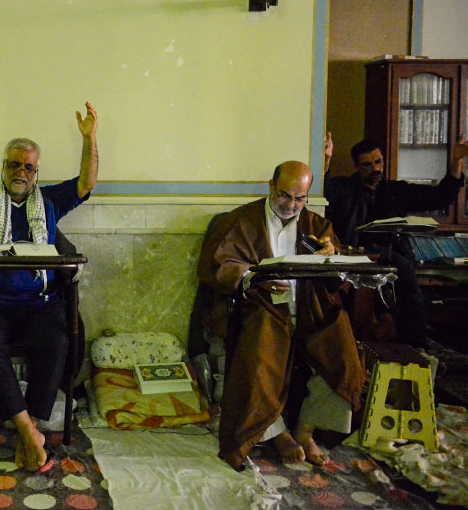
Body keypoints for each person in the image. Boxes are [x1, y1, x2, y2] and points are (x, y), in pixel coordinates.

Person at [0, 98, 98, 472]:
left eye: (28, 167)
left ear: (36, 172)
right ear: (4, 166)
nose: (21, 172)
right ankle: (29, 434)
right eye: (14, 164)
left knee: (57, 339)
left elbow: (86, 183)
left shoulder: (50, 201)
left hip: (39, 303)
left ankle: (32, 428)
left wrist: (90, 139)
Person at [198, 161, 363, 470]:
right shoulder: (243, 220)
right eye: (285, 195)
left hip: (309, 306)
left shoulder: (316, 225)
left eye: (300, 198)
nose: (291, 205)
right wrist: (254, 277)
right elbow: (218, 265)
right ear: (271, 186)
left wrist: (332, 256)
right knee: (261, 350)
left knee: (342, 348)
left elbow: (335, 279)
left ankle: (306, 429)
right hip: (262, 307)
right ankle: (277, 432)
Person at [323, 132, 468, 348]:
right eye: (367, 165)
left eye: (378, 162)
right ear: (356, 166)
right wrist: (326, 160)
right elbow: (322, 191)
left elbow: (440, 197)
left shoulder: (395, 191)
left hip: (392, 254)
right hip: (354, 254)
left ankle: (415, 344)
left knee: (405, 273)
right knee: (400, 270)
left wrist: (457, 161)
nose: (375, 169)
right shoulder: (343, 188)